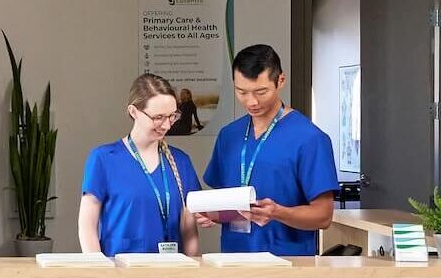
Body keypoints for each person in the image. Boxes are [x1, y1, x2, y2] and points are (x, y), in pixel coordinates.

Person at [200, 44, 338, 255]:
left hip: (287, 263)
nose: (251, 101)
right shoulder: (229, 136)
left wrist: (278, 213)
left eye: (261, 91)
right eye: (242, 92)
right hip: (232, 263)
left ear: (280, 81)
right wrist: (210, 214)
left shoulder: (310, 138)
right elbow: (231, 208)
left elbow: (323, 216)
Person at [79, 73, 204, 256]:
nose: (166, 125)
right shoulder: (103, 159)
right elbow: (87, 225)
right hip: (118, 275)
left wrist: (188, 272)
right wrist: (99, 270)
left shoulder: (181, 162)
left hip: (171, 275)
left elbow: (190, 231)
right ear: (133, 112)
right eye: (158, 117)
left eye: (172, 116)